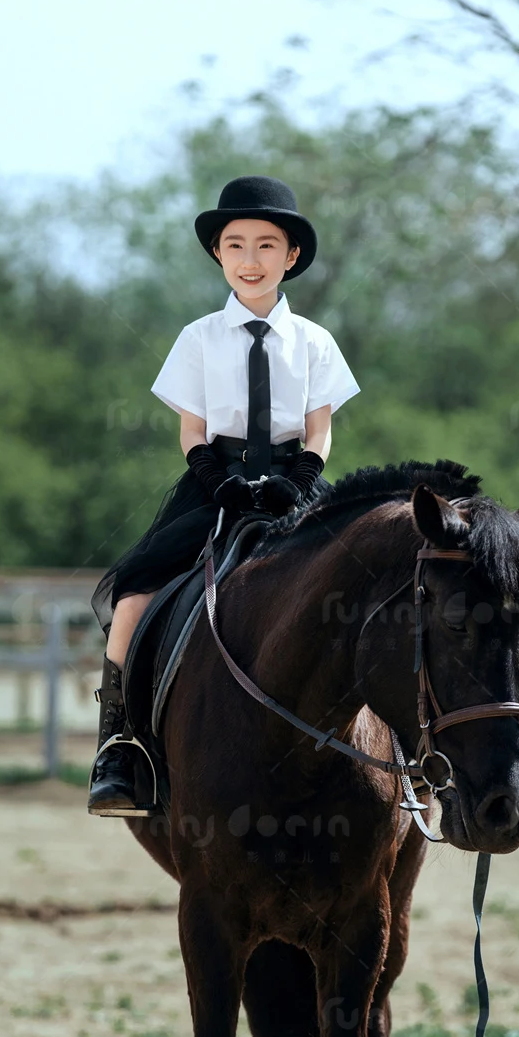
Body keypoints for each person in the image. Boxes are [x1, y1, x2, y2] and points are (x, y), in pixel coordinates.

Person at [88, 175, 360, 815]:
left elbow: (320, 430)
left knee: (369, 590)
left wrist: (295, 480)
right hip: (215, 482)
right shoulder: (199, 337)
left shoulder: (316, 341)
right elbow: (191, 431)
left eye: (267, 246)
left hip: (298, 481)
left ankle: (403, 753)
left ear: (291, 256)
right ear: (218, 255)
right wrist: (219, 479)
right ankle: (120, 748)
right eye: (235, 245)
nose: (250, 259)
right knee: (132, 598)